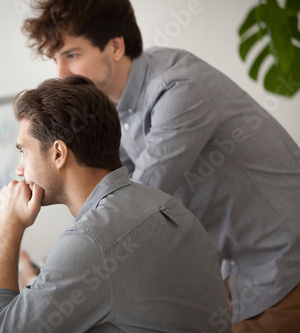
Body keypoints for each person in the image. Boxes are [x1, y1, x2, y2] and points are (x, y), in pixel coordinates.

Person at [20, 0, 300, 331]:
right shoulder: (113, 105)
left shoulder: (179, 90)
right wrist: (48, 284)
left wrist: (42, 286)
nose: (61, 74)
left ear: (115, 46)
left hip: (282, 264)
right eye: (56, 59)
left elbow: (127, 214)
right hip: (236, 271)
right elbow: (102, 195)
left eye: (72, 55)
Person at [0, 75, 231, 332]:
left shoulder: (95, 239)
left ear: (59, 153)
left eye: (24, 152)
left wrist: (6, 231)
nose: (19, 170)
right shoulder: (162, 206)